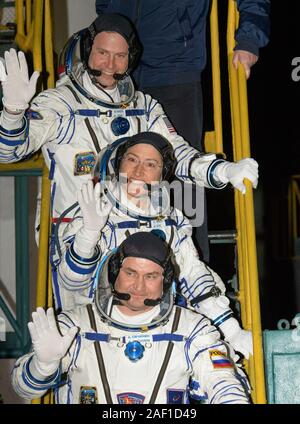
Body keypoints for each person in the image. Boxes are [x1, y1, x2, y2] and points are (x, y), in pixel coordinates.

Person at [0, 13, 258, 245]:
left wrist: (224, 170)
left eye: (120, 56)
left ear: (130, 58)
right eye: (102, 53)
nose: (110, 65)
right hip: (76, 234)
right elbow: (9, 152)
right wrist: (12, 113)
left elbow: (176, 155)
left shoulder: (144, 107)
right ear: (88, 50)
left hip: (136, 234)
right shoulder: (59, 103)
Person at [95, 1, 271, 260]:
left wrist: (248, 39)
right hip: (119, 72)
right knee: (118, 175)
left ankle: (193, 282)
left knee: (182, 181)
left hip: (173, 72)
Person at [55, 132, 252, 359]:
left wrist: (231, 330)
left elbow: (192, 272)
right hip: (99, 332)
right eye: (132, 160)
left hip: (160, 329)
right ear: (118, 165)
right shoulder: (92, 210)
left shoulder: (171, 219)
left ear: (162, 174)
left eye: (151, 164)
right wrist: (89, 234)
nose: (139, 172)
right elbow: (70, 281)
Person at [12, 232, 251, 404]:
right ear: (115, 273)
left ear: (166, 281)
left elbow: (222, 381)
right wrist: (43, 366)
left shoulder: (192, 328)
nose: (139, 286)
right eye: (130, 273)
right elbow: (24, 389)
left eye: (151, 276)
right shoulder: (75, 325)